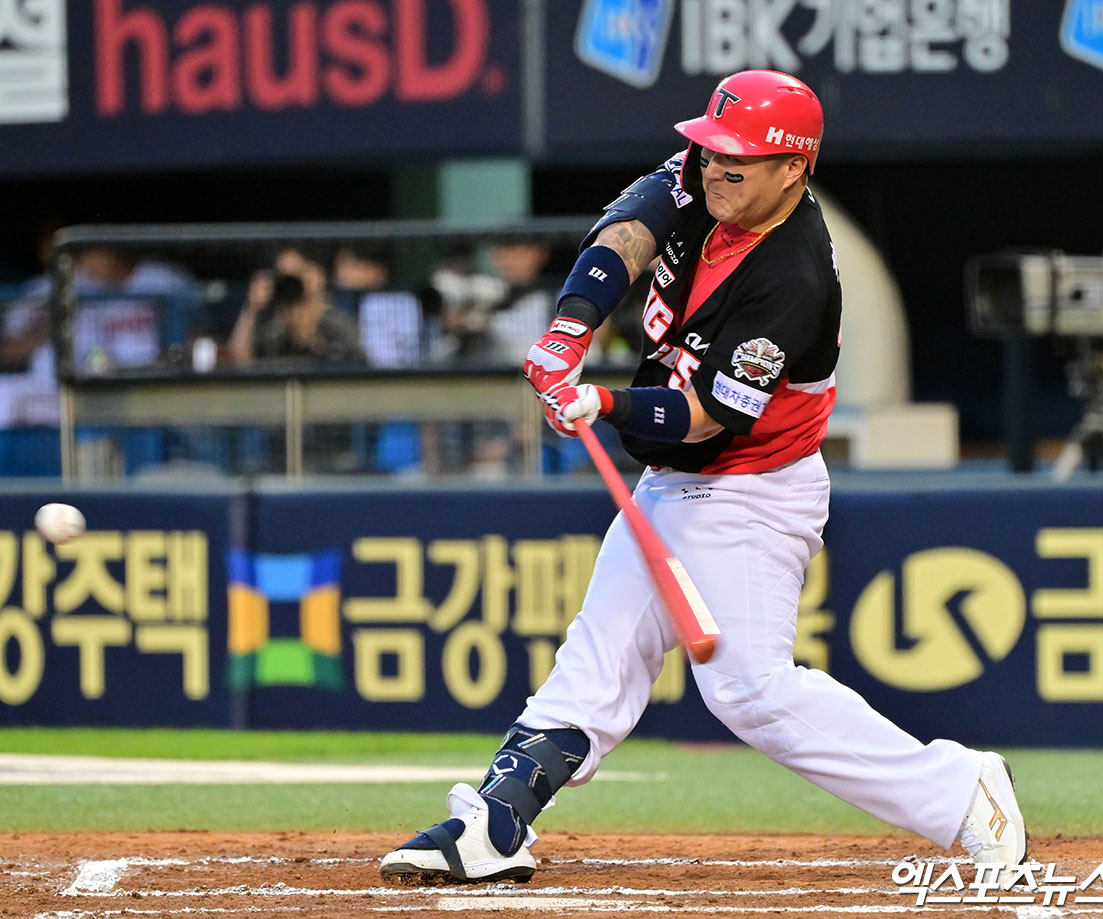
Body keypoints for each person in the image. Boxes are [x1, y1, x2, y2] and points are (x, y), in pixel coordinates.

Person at [379, 70, 1027, 884]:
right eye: (711, 151)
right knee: (597, 661)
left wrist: (604, 400)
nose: (715, 168)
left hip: (750, 490)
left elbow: (705, 417)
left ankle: (963, 791)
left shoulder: (794, 279)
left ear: (792, 169)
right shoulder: (703, 173)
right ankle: (496, 821)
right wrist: (571, 328)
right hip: (674, 481)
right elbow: (626, 232)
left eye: (738, 160)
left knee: (749, 691)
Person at [226, 246, 365, 365]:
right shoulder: (274, 332)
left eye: (297, 274)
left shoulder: (340, 326)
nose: (291, 283)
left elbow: (358, 370)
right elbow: (240, 363)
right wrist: (251, 309)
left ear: (317, 276)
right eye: (283, 276)